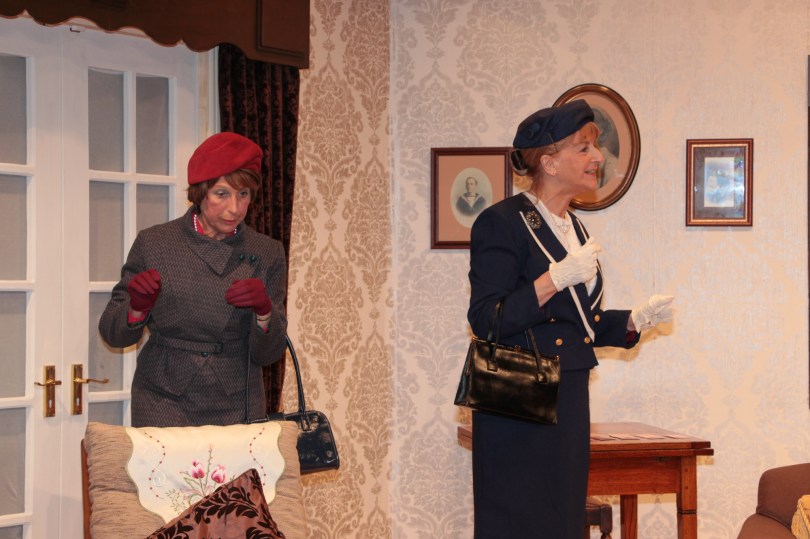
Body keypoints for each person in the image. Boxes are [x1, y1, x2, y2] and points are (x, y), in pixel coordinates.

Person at [467, 100, 674, 538]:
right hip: (516, 397)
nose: (597, 157)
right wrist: (554, 279)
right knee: (518, 522)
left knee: (562, 519)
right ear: (548, 162)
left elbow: (576, 322)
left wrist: (632, 321)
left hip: (568, 391)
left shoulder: (573, 227)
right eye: (583, 148)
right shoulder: (501, 222)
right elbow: (486, 319)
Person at [99, 132, 288, 428]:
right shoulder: (155, 244)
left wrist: (264, 312)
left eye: (243, 194)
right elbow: (113, 334)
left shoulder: (266, 252)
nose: (234, 208)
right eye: (221, 194)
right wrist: (136, 307)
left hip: (237, 402)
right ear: (200, 193)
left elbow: (270, 354)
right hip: (163, 398)